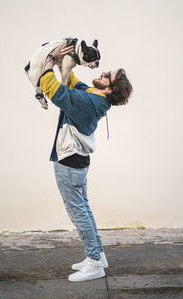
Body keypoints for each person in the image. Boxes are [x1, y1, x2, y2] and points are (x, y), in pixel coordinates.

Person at [39, 42, 132, 282]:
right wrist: (64, 62)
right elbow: (73, 83)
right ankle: (98, 256)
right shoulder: (94, 97)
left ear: (110, 89)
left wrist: (49, 60)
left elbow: (54, 90)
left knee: (78, 213)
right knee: (85, 210)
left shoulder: (90, 103)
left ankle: (94, 263)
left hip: (69, 163)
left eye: (106, 75)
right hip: (77, 163)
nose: (100, 73)